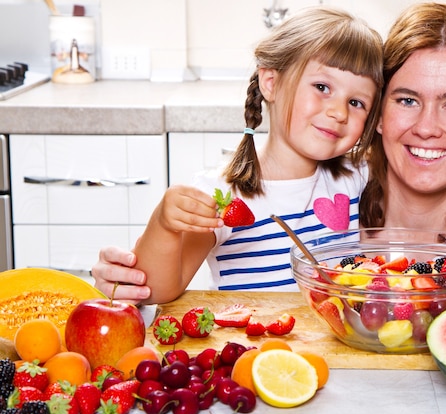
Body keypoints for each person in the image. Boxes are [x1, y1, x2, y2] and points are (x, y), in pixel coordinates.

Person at [93, 3, 446, 318]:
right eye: (406, 99)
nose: (427, 128)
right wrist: (148, 251)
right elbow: (161, 281)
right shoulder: (343, 182)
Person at [94, 6, 383, 305]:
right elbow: (157, 290)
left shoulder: (357, 176)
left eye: (356, 102)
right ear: (270, 83)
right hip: (250, 351)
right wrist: (164, 223)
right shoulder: (222, 196)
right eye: (322, 87)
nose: (338, 112)